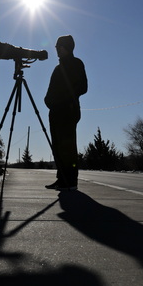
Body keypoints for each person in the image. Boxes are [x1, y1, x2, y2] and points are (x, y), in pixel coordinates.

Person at [44, 35, 88, 190]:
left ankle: (71, 181)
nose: (56, 49)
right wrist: (49, 101)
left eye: (58, 46)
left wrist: (65, 100)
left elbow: (83, 87)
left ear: (66, 47)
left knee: (67, 148)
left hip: (68, 112)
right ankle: (61, 178)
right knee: (57, 147)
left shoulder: (76, 64)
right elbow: (51, 90)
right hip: (55, 112)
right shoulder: (58, 68)